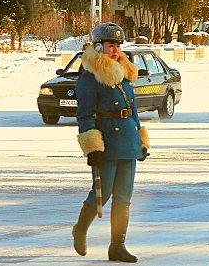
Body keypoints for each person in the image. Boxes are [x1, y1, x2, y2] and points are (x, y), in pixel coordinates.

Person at [73, 22, 149, 263]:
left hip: (127, 140)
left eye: (117, 46)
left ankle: (118, 245)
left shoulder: (124, 74)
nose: (115, 50)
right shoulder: (90, 77)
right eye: (110, 46)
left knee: (124, 197)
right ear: (98, 47)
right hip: (106, 142)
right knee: (102, 193)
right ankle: (80, 229)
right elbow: (84, 115)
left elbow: (133, 111)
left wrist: (141, 140)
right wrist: (92, 146)